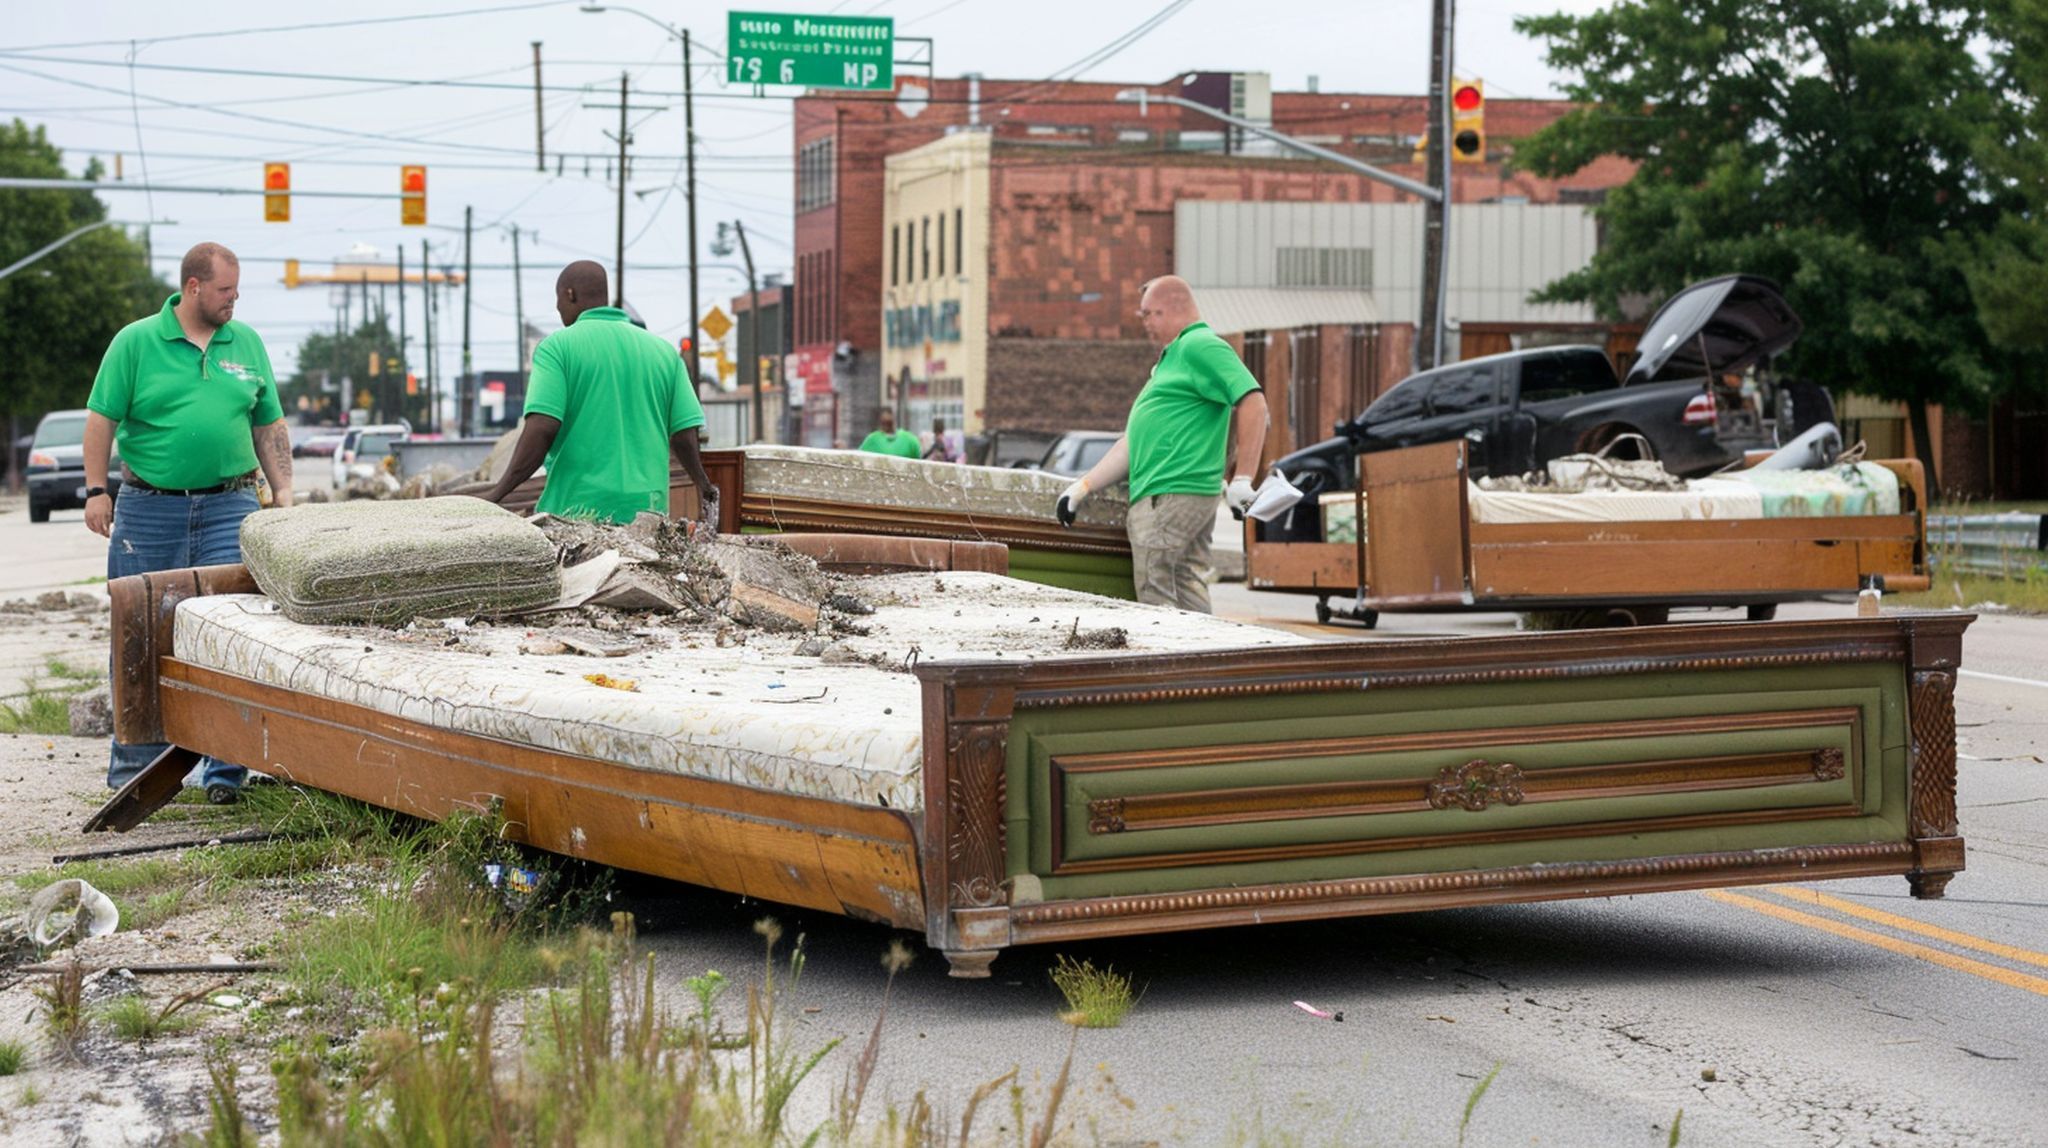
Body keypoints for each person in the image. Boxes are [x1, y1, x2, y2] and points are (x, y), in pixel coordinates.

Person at [84, 241, 292, 802]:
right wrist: (97, 490)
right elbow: (101, 418)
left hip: (231, 505)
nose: (235, 300)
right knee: (140, 632)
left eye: (237, 289)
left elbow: (268, 423)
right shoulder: (136, 341)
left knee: (232, 630)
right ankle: (135, 770)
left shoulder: (244, 341)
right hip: (149, 508)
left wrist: (285, 491)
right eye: (226, 290)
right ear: (194, 287)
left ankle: (226, 770)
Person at [1053, 275, 1270, 613]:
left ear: (1167, 309)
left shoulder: (1199, 345)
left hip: (1171, 493)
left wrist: (1243, 478)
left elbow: (1253, 401)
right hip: (1172, 494)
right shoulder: (1172, 361)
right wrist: (1082, 487)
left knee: (1157, 590)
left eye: (1147, 314)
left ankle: (1175, 661)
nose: (1144, 324)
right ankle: (1203, 660)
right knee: (1183, 583)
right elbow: (1133, 442)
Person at [480, 261, 716, 524]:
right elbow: (684, 434)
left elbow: (542, 428)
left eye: (558, 300)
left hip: (576, 513)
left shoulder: (557, 348)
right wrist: (703, 484)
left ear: (569, 294)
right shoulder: (664, 353)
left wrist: (497, 493)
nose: (558, 309)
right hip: (648, 515)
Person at [857, 410, 922, 459]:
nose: (886, 425)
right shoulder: (872, 440)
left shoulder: (910, 440)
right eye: (885, 422)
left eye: (888, 423)